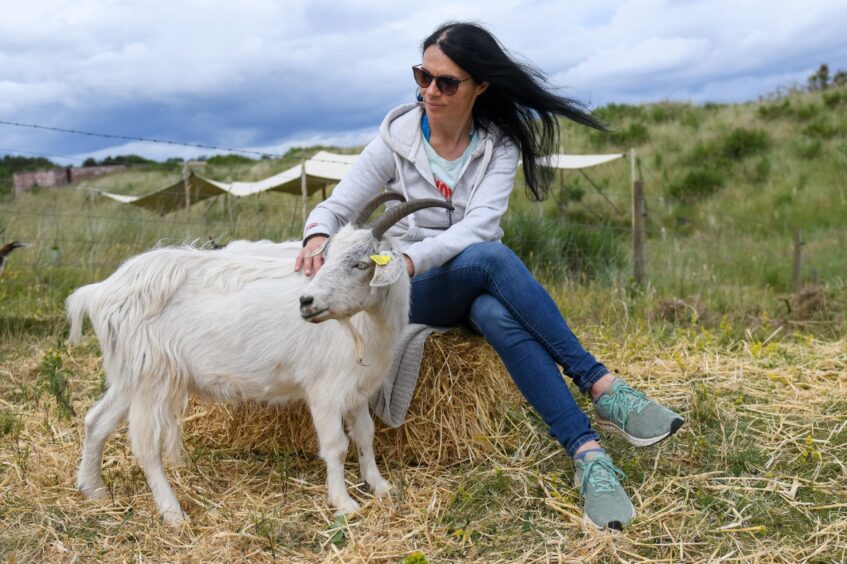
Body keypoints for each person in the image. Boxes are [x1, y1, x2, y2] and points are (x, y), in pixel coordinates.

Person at [295, 21, 683, 530]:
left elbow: (478, 227)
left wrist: (417, 257)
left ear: (480, 87)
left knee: (495, 311)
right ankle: (601, 385)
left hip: (466, 282)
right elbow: (337, 206)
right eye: (422, 76)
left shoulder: (498, 146)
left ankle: (589, 455)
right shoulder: (396, 138)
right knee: (492, 258)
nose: (429, 91)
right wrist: (316, 237)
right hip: (411, 291)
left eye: (446, 83)